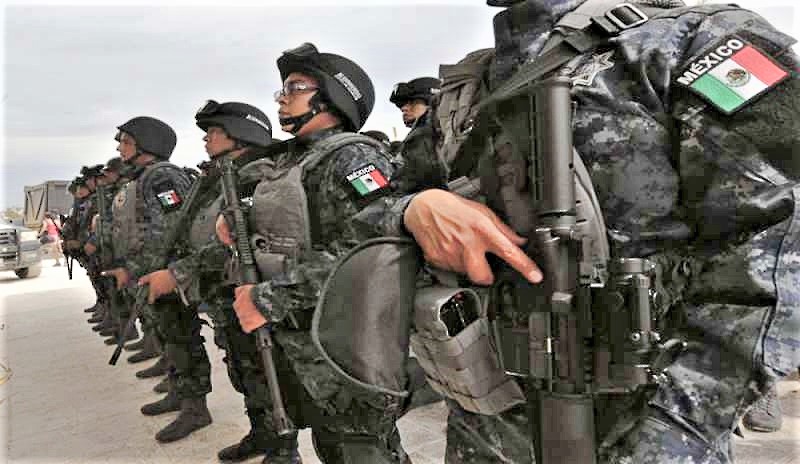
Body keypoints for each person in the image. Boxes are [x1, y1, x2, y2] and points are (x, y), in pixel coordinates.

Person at [370, 0, 800, 462]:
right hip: (486, 429)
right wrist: (414, 209)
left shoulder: (694, 41)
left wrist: (678, 431)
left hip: (647, 431)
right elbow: (369, 210)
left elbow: (781, 241)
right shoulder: (463, 93)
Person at [221, 42, 412, 464]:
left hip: (346, 342)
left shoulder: (355, 157)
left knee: (365, 450)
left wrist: (268, 298)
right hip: (304, 341)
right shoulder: (291, 162)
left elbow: (368, 252)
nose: (282, 98)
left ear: (333, 96)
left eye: (295, 87)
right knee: (332, 445)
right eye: (282, 89)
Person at [138, 101, 303, 462]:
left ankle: (284, 449)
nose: (206, 139)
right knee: (243, 368)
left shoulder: (259, 177)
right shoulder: (218, 178)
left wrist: (178, 274)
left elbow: (236, 241)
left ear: (240, 134)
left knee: (267, 372)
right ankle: (262, 434)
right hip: (224, 293)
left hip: (253, 292)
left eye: (214, 132)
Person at [102, 116, 213, 443]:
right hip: (151, 273)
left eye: (126, 142)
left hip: (167, 274)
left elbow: (169, 230)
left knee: (181, 338)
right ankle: (180, 393)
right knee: (169, 337)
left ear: (148, 144)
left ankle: (196, 408)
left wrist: (137, 268)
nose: (120, 148)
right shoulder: (143, 178)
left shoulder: (163, 177)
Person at [389, 77, 447, 192]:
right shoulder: (420, 136)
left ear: (432, 102)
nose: (404, 108)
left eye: (412, 102)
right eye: (402, 105)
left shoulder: (430, 134)